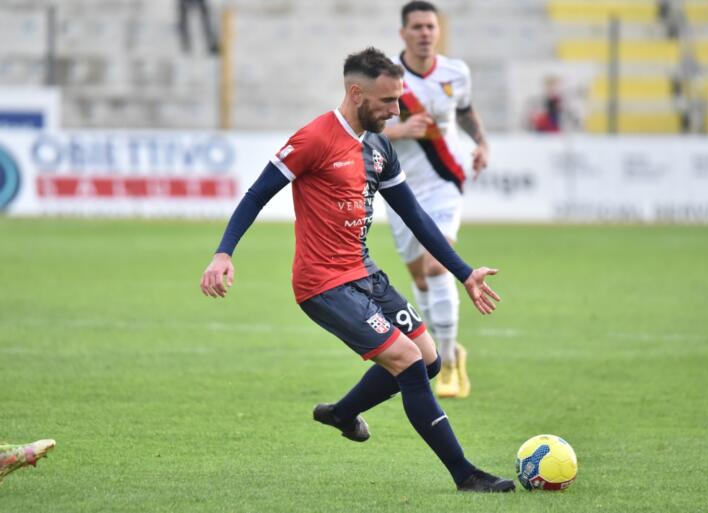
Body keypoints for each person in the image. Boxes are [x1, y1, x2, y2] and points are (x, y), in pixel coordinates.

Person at [200, 47, 514, 493]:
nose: (397, 109)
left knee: (428, 361)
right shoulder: (314, 139)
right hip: (323, 284)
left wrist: (464, 273)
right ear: (356, 93)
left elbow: (416, 216)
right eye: (387, 101)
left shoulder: (380, 147)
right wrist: (223, 253)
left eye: (398, 98)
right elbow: (256, 194)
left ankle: (343, 413)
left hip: (364, 272)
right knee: (406, 360)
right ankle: (466, 474)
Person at [382, 1, 489, 399]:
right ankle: (446, 350)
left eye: (431, 26)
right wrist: (401, 130)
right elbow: (367, 131)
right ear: (403, 33)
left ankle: (446, 362)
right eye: (417, 27)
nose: (425, 33)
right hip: (399, 187)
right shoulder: (386, 76)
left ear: (438, 30)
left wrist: (481, 143)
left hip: (446, 180)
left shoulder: (456, 72)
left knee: (436, 264)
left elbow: (464, 111)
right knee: (420, 277)